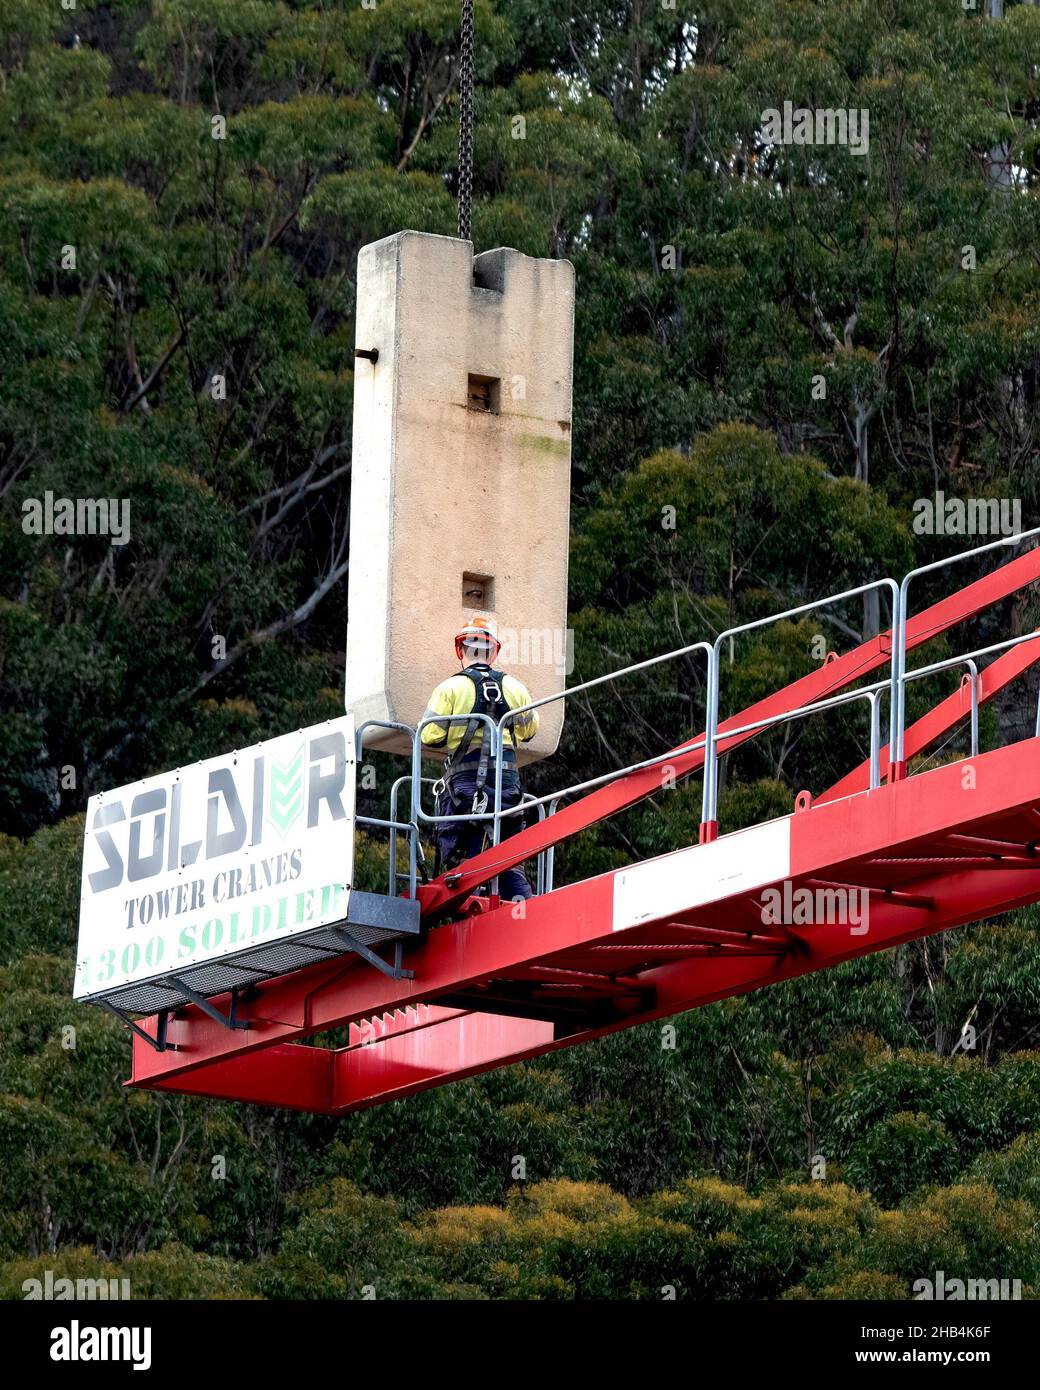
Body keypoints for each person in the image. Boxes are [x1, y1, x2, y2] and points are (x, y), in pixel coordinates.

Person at [420, 618, 539, 900]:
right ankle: (526, 910)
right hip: (507, 787)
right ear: (494, 652)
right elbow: (531, 730)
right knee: (509, 858)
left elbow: (428, 735)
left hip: (464, 786)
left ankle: (464, 907)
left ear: (461, 651)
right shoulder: (516, 688)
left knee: (460, 859)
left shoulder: (450, 689)